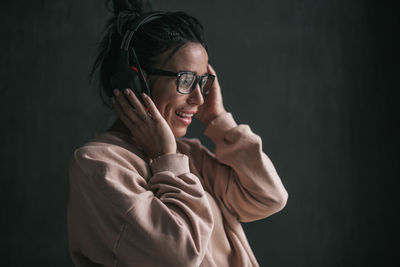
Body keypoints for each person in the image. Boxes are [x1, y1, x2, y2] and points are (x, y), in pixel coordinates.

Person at [67, 0, 289, 266]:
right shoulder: (97, 166)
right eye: (185, 80)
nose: (199, 98)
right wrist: (165, 158)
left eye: (203, 82)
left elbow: (268, 197)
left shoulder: (188, 154)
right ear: (136, 81)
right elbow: (180, 256)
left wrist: (218, 119)